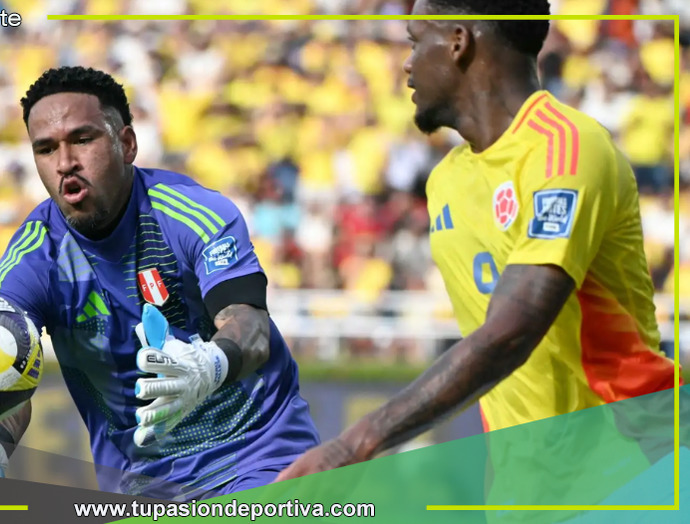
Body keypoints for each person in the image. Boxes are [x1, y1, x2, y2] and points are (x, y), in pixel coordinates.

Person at [277, 0, 678, 485]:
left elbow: (514, 328)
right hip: (524, 494)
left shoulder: (567, 147)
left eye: (414, 41)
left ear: (458, 42)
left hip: (631, 471)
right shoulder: (445, 181)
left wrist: (354, 444)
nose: (406, 64)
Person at [0, 65, 320, 499]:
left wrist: (207, 365)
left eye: (82, 139)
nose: (65, 164)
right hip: (145, 487)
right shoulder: (31, 261)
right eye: (45, 149)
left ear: (127, 144)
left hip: (259, 456)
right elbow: (4, 372)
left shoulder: (195, 213)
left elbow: (251, 328)